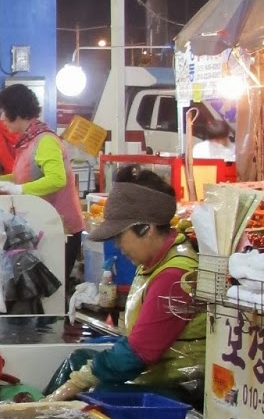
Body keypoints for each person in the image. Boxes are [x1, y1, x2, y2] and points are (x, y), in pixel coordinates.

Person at [50, 166, 205, 401]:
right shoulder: (156, 259)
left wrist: (75, 384)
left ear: (146, 229)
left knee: (99, 392)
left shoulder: (174, 276)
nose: (118, 246)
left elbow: (137, 355)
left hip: (179, 385)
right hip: (153, 373)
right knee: (78, 359)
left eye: (119, 236)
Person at [0, 83, 85, 280]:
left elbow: (57, 179)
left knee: (52, 291)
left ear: (17, 112)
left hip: (61, 230)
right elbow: (21, 176)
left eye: (5, 112)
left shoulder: (45, 140)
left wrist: (19, 189)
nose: (2, 119)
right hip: (43, 227)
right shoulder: (28, 141)